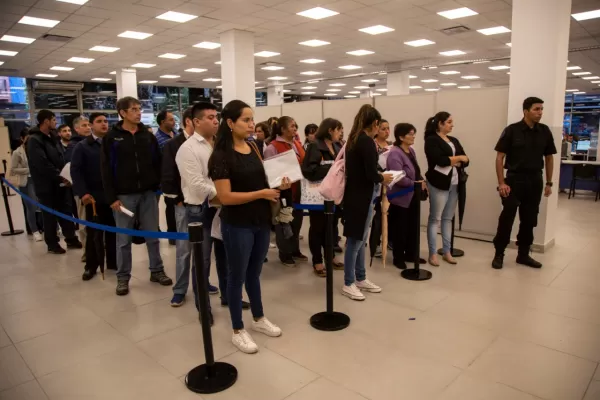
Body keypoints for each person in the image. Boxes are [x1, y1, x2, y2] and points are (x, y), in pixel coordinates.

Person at [209, 99, 290, 354]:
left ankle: (258, 318)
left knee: (254, 273)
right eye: (246, 119)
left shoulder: (255, 146)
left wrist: (278, 187)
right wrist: (261, 193)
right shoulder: (221, 155)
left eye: (252, 119)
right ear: (230, 123)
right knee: (236, 276)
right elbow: (225, 197)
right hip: (237, 224)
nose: (251, 123)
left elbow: (264, 181)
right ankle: (237, 329)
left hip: (261, 221)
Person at [101, 96, 172, 296]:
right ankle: (123, 278)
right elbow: (105, 169)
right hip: (123, 196)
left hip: (148, 193)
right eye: (133, 109)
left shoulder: (146, 135)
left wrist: (159, 185)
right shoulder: (112, 137)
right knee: (123, 239)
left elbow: (157, 162)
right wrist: (111, 197)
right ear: (122, 113)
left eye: (139, 108)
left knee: (153, 235)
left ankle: (157, 270)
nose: (138, 112)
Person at [175, 102, 235, 322]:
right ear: (196, 121)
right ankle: (203, 307)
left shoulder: (220, 145)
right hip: (200, 210)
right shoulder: (188, 149)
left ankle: (229, 296)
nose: (215, 120)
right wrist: (224, 194)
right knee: (202, 261)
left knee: (225, 257)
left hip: (222, 207)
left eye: (215, 116)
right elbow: (197, 183)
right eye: (209, 117)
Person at [491, 97, 556, 269]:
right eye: (536, 109)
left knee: (529, 219)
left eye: (541, 109)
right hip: (514, 180)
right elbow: (499, 157)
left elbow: (549, 158)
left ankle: (523, 254)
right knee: (507, 218)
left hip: (535, 180)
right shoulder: (512, 130)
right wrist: (501, 182)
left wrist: (549, 182)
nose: (540, 112)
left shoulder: (545, 131)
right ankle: (499, 254)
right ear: (525, 111)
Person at [342, 104, 393, 301]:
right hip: (360, 197)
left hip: (357, 195)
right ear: (374, 123)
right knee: (355, 241)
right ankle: (349, 282)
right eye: (379, 125)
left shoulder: (355, 140)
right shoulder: (365, 142)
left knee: (359, 240)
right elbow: (371, 173)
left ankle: (360, 277)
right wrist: (384, 178)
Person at [27, 110, 82, 254]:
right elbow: (42, 163)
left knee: (66, 211)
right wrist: (59, 176)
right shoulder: (34, 140)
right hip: (46, 185)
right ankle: (52, 243)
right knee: (50, 215)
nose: (55, 122)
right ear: (45, 121)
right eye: (53, 120)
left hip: (61, 182)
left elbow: (61, 156)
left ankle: (71, 238)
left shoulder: (53, 137)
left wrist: (66, 175)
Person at [71, 113, 116, 280]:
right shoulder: (83, 146)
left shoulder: (113, 143)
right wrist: (83, 193)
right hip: (94, 197)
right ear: (91, 125)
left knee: (113, 231)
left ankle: (113, 261)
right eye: (99, 121)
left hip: (113, 196)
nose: (104, 124)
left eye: (105, 121)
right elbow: (76, 171)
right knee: (94, 234)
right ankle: (91, 265)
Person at [424, 112, 469, 266]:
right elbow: (440, 160)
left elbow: (467, 159)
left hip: (455, 183)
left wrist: (454, 160)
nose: (452, 125)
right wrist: (457, 159)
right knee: (435, 218)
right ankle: (432, 254)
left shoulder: (454, 140)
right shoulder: (431, 140)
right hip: (438, 183)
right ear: (440, 124)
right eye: (449, 122)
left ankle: (447, 251)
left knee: (447, 218)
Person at [301, 118, 344, 277]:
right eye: (338, 130)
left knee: (332, 227)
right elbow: (309, 171)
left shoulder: (338, 146)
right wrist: (331, 167)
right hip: (317, 196)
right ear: (330, 130)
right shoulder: (314, 146)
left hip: (334, 194)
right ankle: (317, 261)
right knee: (317, 228)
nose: (340, 133)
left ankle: (330, 256)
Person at [264, 116, 308, 266]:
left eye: (296, 126)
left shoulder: (296, 144)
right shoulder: (272, 147)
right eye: (291, 126)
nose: (295, 129)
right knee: (284, 222)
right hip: (282, 192)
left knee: (297, 221)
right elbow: (269, 172)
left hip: (298, 190)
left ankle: (295, 249)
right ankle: (285, 253)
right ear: (282, 129)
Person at [386, 123, 426, 269]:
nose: (413, 136)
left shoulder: (411, 151)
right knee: (400, 228)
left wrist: (421, 181)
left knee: (412, 227)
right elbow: (398, 177)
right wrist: (415, 183)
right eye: (410, 133)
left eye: (413, 133)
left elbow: (416, 170)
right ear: (401, 136)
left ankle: (411, 253)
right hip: (400, 197)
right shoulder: (395, 153)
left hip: (413, 195)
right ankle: (398, 258)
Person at [66, 116, 92, 262]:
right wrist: (82, 191)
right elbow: (73, 169)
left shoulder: (96, 143)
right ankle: (87, 252)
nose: (87, 127)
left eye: (89, 124)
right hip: (82, 191)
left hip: (98, 189)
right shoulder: (74, 145)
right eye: (84, 125)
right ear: (76, 129)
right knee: (84, 223)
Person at [10, 129, 43, 242]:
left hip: (39, 179)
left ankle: (48, 228)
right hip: (26, 181)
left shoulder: (37, 148)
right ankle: (34, 231)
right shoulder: (17, 152)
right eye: (28, 138)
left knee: (43, 205)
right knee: (31, 207)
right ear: (22, 138)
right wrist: (30, 170)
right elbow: (13, 169)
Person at [155, 110, 177, 244]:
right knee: (170, 208)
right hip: (167, 179)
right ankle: (173, 236)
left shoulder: (176, 135)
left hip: (179, 178)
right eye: (171, 119)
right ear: (162, 122)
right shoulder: (158, 139)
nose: (173, 122)